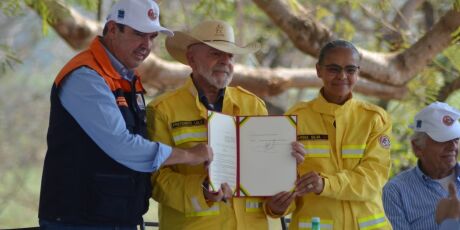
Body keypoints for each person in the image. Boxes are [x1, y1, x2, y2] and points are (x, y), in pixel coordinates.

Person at [38, 1, 213, 229]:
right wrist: (190, 156)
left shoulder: (126, 77)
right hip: (78, 220)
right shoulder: (85, 76)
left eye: (152, 37)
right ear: (112, 29)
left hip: (119, 219)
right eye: (139, 34)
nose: (146, 45)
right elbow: (123, 146)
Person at [146, 20, 305, 230]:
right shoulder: (163, 109)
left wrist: (277, 205)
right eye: (215, 53)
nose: (225, 61)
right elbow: (155, 180)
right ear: (191, 58)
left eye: (230, 55)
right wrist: (201, 189)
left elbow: (266, 178)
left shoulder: (253, 105)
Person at [278, 40, 392, 229]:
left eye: (350, 70)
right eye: (333, 69)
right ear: (318, 70)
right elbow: (284, 186)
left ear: (358, 72)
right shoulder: (295, 118)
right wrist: (277, 206)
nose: (342, 76)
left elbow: (373, 179)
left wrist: (325, 184)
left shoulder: (375, 119)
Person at [383, 101, 460, 230]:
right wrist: (450, 224)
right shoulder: (396, 192)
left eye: (456, 138)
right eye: (442, 139)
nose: (453, 146)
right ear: (417, 147)